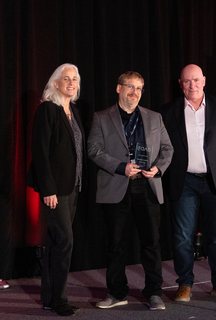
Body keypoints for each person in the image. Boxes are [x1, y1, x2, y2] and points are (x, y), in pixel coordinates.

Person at [88, 71, 173, 311]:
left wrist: (158, 168)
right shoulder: (101, 117)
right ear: (118, 88)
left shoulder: (154, 118)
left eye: (139, 88)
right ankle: (116, 293)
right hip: (116, 184)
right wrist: (119, 167)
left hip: (146, 185)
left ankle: (154, 292)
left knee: (151, 243)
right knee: (115, 244)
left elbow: (168, 148)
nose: (134, 92)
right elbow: (93, 149)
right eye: (129, 87)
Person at [160, 64, 216, 302]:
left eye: (196, 80)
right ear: (180, 84)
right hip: (183, 182)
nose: (192, 85)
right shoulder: (168, 111)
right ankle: (185, 283)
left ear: (204, 81)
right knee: (182, 237)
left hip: (214, 182)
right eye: (187, 81)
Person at [27, 63, 86, 317]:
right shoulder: (47, 110)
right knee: (65, 242)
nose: (71, 83)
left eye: (75, 79)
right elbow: (40, 153)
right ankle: (60, 300)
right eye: (66, 78)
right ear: (55, 83)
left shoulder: (73, 110)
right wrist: (48, 190)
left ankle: (50, 298)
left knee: (55, 242)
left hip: (73, 186)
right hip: (56, 190)